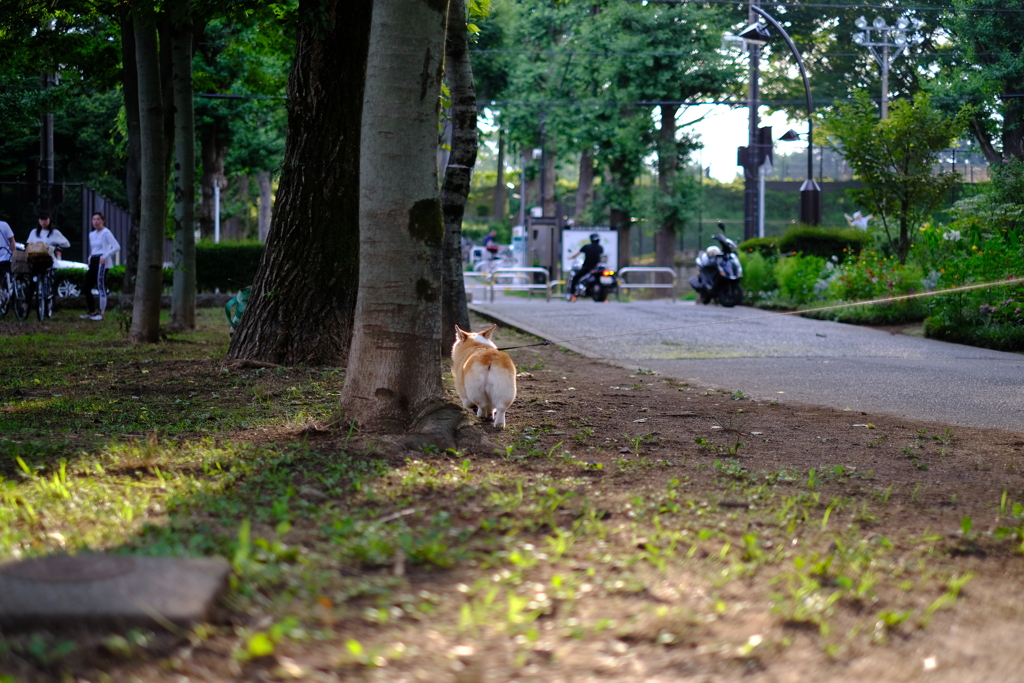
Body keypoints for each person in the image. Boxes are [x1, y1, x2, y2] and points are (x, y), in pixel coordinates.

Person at [25, 212, 71, 307]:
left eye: (46, 219)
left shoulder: (55, 233)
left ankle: (51, 302)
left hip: (48, 260)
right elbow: (28, 244)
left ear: (50, 220)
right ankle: (27, 303)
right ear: (38, 220)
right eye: (42, 219)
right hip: (35, 260)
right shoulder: (34, 232)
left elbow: (67, 243)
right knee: (33, 281)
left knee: (50, 281)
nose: (44, 221)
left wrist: (55, 245)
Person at [82, 212, 120, 321]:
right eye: (94, 219)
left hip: (102, 261)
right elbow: (94, 249)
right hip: (93, 260)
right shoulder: (92, 234)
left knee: (100, 286)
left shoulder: (106, 233)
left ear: (103, 221)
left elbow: (116, 246)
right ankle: (92, 311)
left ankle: (101, 313)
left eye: (98, 219)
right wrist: (90, 257)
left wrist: (105, 256)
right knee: (86, 286)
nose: (96, 222)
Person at [566, 233, 604, 302]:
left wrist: (569, 257)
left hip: (587, 267)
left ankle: (573, 294)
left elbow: (575, 255)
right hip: (597, 268)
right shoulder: (600, 248)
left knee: (575, 278)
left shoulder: (586, 247)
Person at [0, 219, 14, 300]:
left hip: (6, 257)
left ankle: (7, 294)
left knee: (5, 277)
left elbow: (12, 241)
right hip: (5, 257)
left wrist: (14, 254)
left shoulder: (4, 225)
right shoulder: (4, 225)